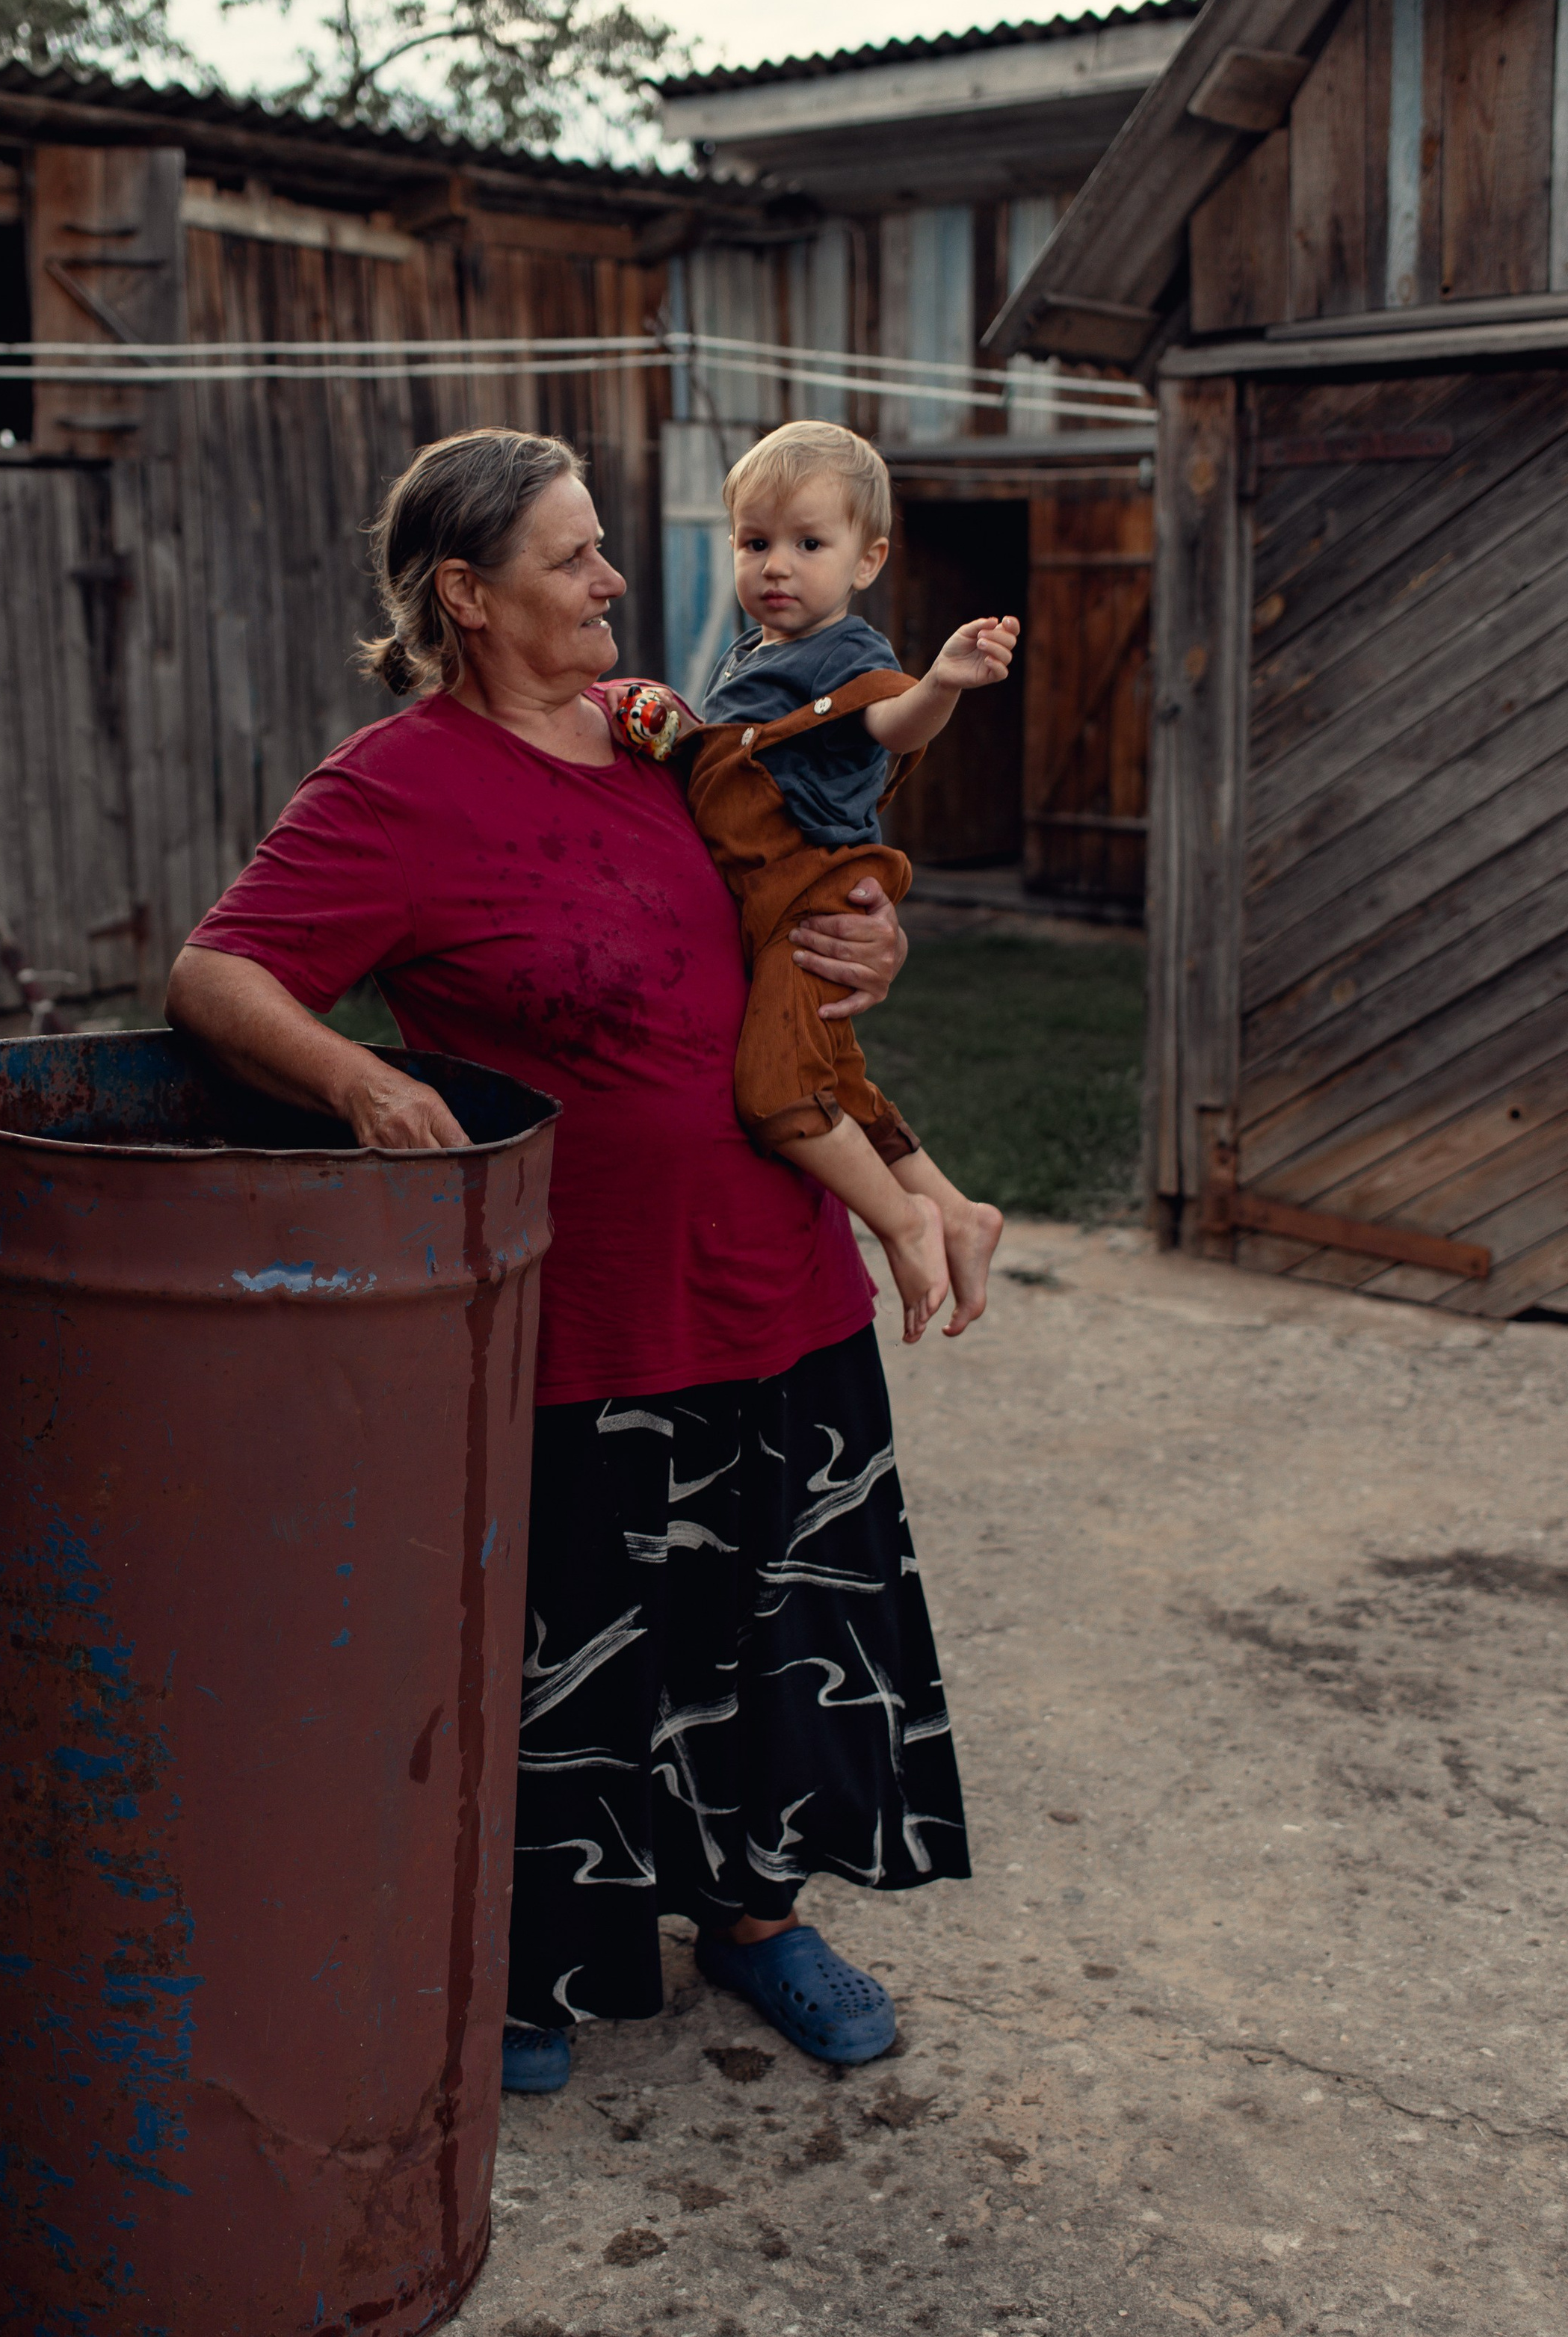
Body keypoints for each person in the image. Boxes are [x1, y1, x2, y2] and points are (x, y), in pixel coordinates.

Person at [164, 427, 971, 2099]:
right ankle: (534, 1952)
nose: (617, 582)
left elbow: (799, 875)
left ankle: (756, 1924)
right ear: (466, 595)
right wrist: (369, 1082)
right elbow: (220, 973)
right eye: (572, 558)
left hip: (773, 1281)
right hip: (577, 1315)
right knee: (568, 1654)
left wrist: (869, 930)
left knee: (770, 1631)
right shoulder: (393, 788)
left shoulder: (662, 740)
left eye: (606, 549)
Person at [612, 421, 1013, 1347]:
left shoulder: (846, 655)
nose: (775, 567)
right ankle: (953, 1208)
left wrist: (942, 684)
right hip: (765, 902)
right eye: (755, 544)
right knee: (837, 1076)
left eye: (807, 544)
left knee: (777, 1092)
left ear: (866, 560)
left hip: (809, 898)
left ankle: (901, 1222)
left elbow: (892, 726)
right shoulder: (754, 655)